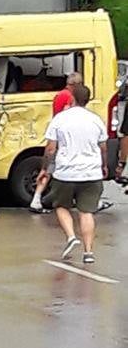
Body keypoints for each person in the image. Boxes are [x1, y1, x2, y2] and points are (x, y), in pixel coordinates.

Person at [42, 83, 108, 264]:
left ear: (72, 98)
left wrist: (45, 169)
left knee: (61, 206)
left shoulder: (60, 119)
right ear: (88, 99)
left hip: (65, 173)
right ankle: (88, 252)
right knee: (87, 212)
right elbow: (103, 147)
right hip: (91, 173)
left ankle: (71, 237)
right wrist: (103, 166)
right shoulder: (96, 120)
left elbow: (50, 149)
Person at [30, 71, 83, 212]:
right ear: (76, 85)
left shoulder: (59, 95)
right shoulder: (69, 97)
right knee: (69, 169)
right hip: (64, 140)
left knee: (48, 170)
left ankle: (36, 198)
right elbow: (68, 116)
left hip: (56, 136)